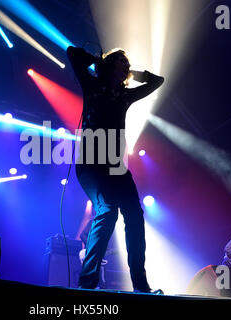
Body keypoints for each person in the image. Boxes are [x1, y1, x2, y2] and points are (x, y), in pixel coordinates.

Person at [67, 46, 164, 293]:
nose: (125, 66)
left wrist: (130, 70)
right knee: (107, 211)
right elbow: (72, 53)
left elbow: (157, 81)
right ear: (109, 66)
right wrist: (101, 61)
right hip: (90, 164)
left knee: (134, 215)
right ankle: (87, 282)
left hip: (115, 166)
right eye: (120, 62)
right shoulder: (92, 84)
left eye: (126, 63)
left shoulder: (124, 95)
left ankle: (141, 286)